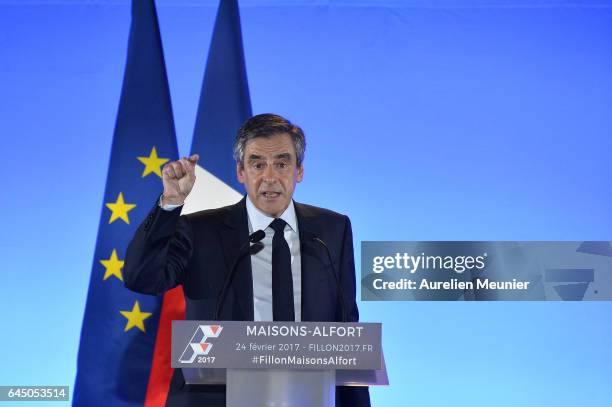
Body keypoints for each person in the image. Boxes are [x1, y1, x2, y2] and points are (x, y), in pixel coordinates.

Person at [124, 113, 370, 406]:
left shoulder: (332, 230)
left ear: (299, 171)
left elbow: (345, 330)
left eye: (282, 163)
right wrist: (170, 204)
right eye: (257, 164)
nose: (270, 177)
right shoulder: (201, 231)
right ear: (241, 172)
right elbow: (141, 277)